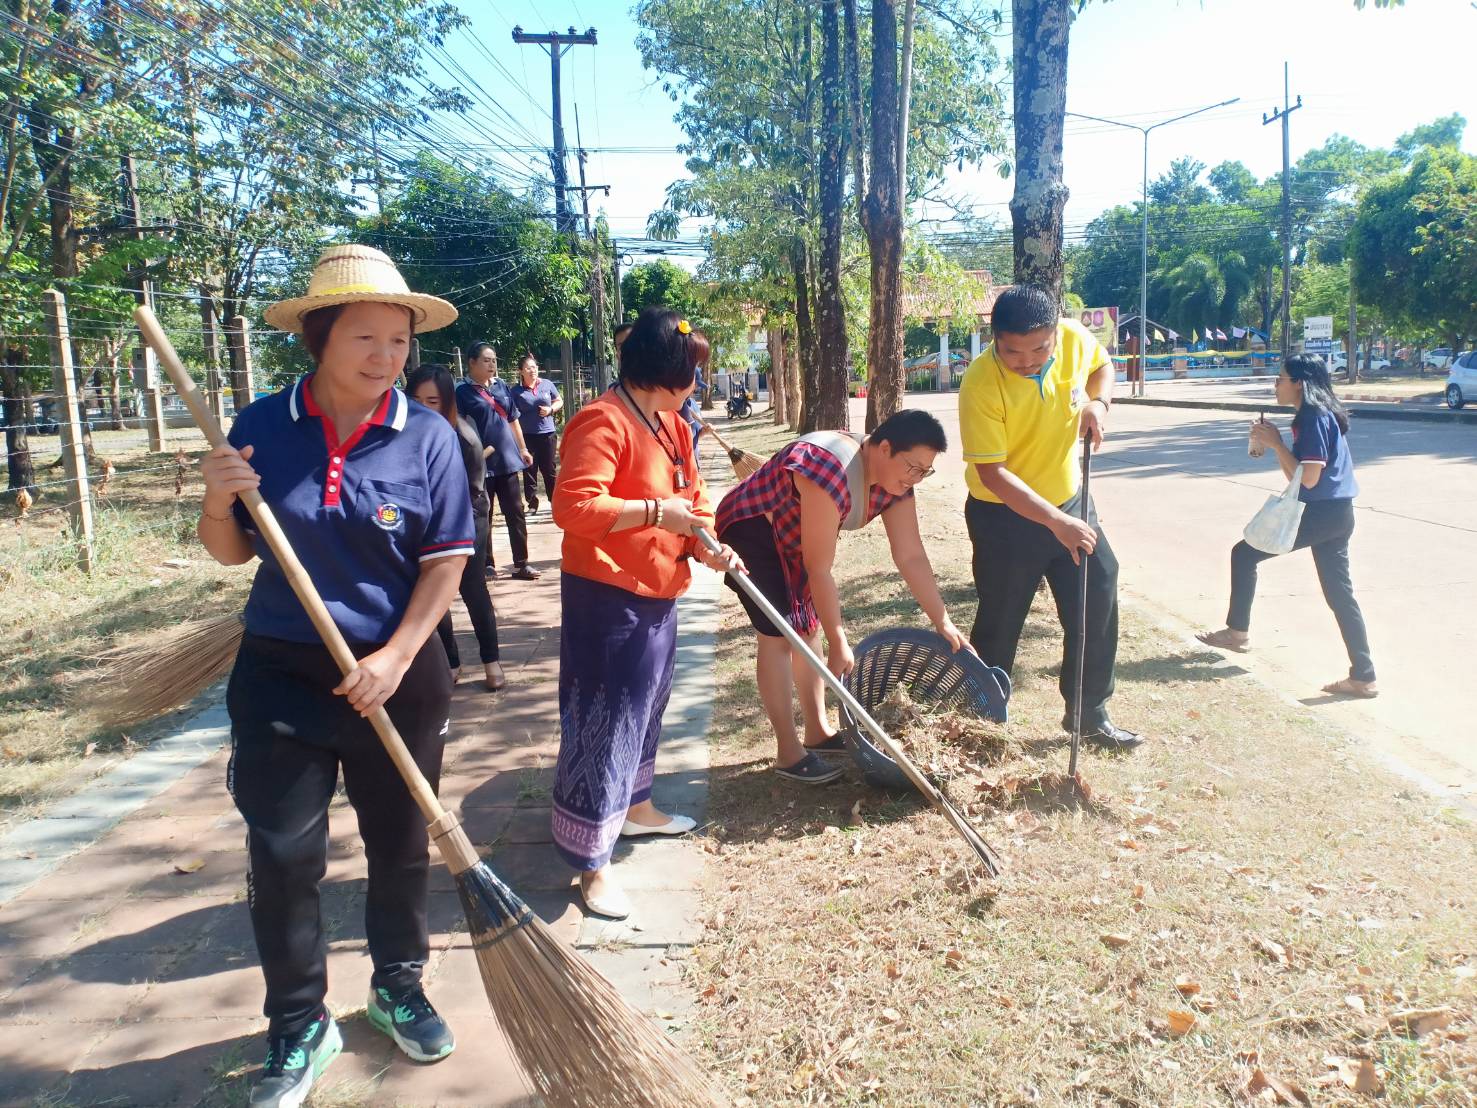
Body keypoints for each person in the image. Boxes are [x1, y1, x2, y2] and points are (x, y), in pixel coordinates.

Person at [199, 245, 471, 1107]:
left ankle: (397, 985)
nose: (386, 357)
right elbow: (229, 549)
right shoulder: (261, 427)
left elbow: (444, 565)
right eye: (365, 337)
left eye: (398, 340)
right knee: (283, 854)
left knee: (399, 844)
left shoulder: (426, 435)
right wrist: (216, 499)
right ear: (319, 337)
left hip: (397, 670)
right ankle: (296, 1025)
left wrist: (394, 658)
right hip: (281, 671)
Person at [551, 307, 740, 920]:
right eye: (692, 375)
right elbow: (575, 506)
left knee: (647, 704)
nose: (697, 387)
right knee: (605, 720)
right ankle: (591, 864)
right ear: (664, 374)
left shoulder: (673, 424)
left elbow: (693, 497)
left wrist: (706, 542)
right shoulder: (602, 421)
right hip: (607, 599)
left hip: (659, 591)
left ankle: (636, 808)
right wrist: (660, 515)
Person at [715, 410, 970, 784]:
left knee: (807, 627)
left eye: (924, 471)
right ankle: (788, 753)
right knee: (780, 635)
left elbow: (911, 555)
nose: (915, 478)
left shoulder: (895, 482)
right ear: (884, 448)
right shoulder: (827, 468)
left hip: (794, 538)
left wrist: (942, 620)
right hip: (752, 530)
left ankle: (817, 732)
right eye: (913, 467)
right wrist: (840, 641)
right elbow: (820, 569)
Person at [959, 283, 1143, 751]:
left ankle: (1089, 713)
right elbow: (993, 474)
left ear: (1055, 333)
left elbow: (1103, 367)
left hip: (1070, 500)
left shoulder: (1075, 337)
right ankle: (984, 721)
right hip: (1004, 517)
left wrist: (1097, 404)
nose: (1028, 360)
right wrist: (1054, 524)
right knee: (1002, 619)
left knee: (1097, 592)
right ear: (993, 339)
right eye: (1013, 352)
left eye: (1040, 348)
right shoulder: (981, 382)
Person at [1196, 355, 1377, 697]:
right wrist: (1275, 445)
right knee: (1340, 594)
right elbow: (1297, 479)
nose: (1275, 385)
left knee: (1244, 554)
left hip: (1321, 513)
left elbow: (1307, 479)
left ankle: (1237, 632)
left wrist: (1277, 444)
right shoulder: (1317, 415)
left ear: (1299, 383)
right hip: (1339, 513)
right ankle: (1364, 675)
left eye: (1280, 379)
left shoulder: (1311, 418)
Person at [407, 364, 506, 691]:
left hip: (467, 517)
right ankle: (451, 662)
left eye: (432, 401)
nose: (423, 408)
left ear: (447, 401)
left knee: (472, 588)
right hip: (425, 522)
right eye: (416, 400)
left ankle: (492, 662)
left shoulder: (461, 434)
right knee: (434, 592)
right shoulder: (406, 436)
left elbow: (468, 490)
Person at [458, 343, 540, 580]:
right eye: (486, 360)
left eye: (493, 360)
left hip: (508, 460)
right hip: (481, 464)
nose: (491, 364)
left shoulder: (502, 386)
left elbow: (513, 419)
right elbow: (459, 426)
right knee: (484, 514)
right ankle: (486, 564)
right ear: (472, 362)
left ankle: (521, 563)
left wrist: (523, 448)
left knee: (516, 511)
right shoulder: (462, 393)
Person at [512, 352, 562, 512]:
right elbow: (511, 413)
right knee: (529, 469)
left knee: (549, 469)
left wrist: (550, 409)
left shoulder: (547, 384)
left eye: (534, 367)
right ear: (521, 371)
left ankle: (554, 501)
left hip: (547, 433)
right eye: (528, 368)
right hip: (527, 435)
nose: (532, 370)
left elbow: (559, 401)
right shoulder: (516, 391)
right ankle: (532, 503)